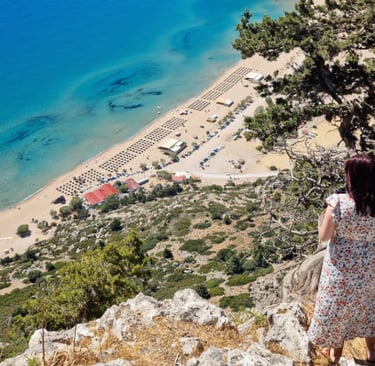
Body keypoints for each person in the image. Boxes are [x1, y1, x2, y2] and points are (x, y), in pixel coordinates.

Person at [308, 153, 375, 365]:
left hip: (340, 268)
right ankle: (372, 353)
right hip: (370, 267)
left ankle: (335, 356)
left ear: (351, 175)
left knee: (338, 311)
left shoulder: (337, 203)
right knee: (369, 308)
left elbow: (324, 236)